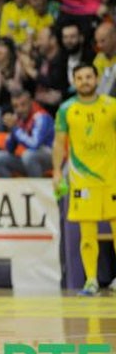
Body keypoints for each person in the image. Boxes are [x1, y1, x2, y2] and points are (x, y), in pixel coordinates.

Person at [52, 63, 116, 295]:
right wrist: (57, 172)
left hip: (112, 178)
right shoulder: (66, 109)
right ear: (74, 81)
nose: (85, 81)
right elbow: (59, 144)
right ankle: (91, 280)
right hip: (83, 181)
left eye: (89, 76)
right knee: (87, 235)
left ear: (97, 79)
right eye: (80, 78)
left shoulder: (112, 107)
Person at [0, 89, 54, 178]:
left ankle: (36, 189)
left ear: (31, 102)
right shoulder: (18, 118)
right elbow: (10, 149)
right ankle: (11, 189)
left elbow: (34, 144)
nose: (20, 109)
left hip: (51, 158)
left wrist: (15, 129)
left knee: (29, 156)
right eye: (16, 106)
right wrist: (11, 130)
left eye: (23, 105)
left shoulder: (41, 117)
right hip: (29, 159)